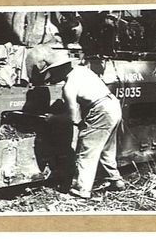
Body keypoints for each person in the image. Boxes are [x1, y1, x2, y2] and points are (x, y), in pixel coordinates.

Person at [26, 44, 125, 200]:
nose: (51, 77)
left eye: (50, 73)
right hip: (112, 105)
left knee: (86, 151)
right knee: (106, 148)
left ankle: (82, 190)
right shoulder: (82, 70)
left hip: (100, 110)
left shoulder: (69, 87)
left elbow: (72, 117)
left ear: (57, 70)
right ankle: (115, 180)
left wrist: (53, 118)